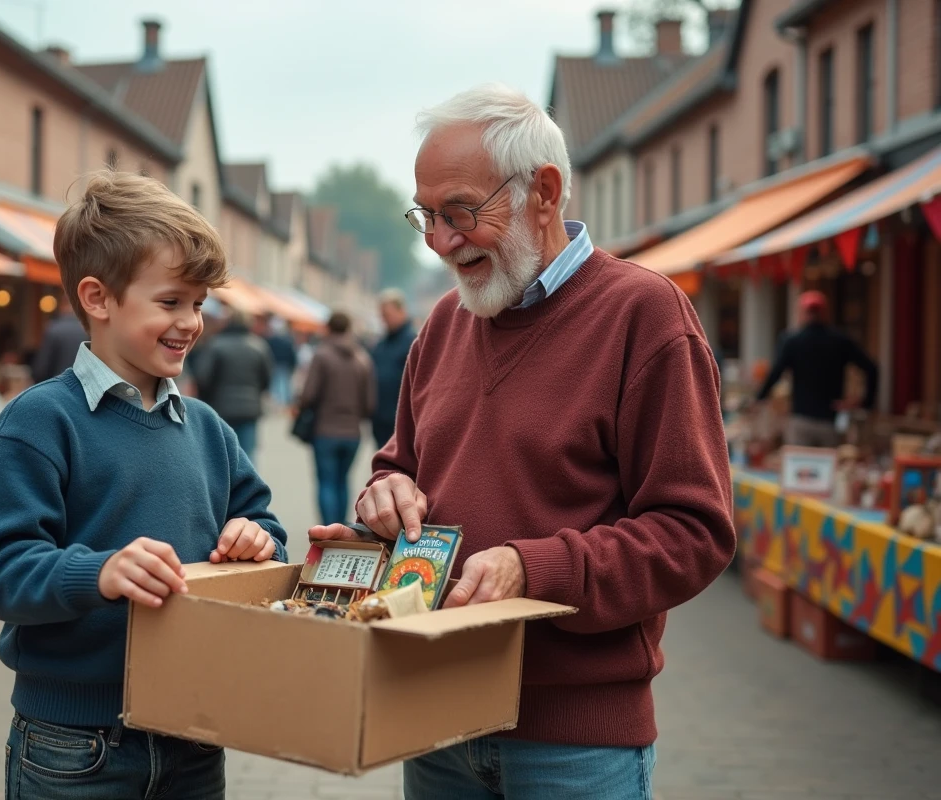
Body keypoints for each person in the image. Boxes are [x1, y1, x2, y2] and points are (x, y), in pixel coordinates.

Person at [309, 85, 734, 799]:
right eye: (427, 217)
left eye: (461, 213)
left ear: (544, 191)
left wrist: (533, 569)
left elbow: (693, 533)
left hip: (574, 743)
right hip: (435, 715)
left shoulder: (646, 315)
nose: (442, 242)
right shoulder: (443, 324)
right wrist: (383, 498)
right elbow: (403, 464)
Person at [0, 171, 288, 800]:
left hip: (194, 732)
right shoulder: (37, 422)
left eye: (198, 304)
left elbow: (265, 524)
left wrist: (257, 538)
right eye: (171, 302)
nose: (191, 322)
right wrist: (98, 573)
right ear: (98, 298)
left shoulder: (208, 428)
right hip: (74, 742)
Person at [754, 290, 878, 448]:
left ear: (802, 313)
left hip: (801, 418)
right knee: (827, 467)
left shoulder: (792, 341)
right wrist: (866, 403)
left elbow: (775, 373)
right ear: (825, 312)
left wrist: (759, 397)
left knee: (799, 468)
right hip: (830, 420)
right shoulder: (840, 341)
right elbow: (871, 368)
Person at [298, 311, 376, 525]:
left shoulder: (322, 355)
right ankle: (341, 526)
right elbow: (370, 404)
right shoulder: (362, 358)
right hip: (353, 432)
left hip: (325, 429)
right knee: (342, 481)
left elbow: (308, 395)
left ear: (329, 328)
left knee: (326, 482)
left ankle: (328, 529)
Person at [194, 309, 273, 460]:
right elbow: (266, 378)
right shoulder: (259, 346)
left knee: (219, 455)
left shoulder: (215, 344)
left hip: (219, 407)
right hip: (249, 409)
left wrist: (206, 398)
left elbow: (203, 377)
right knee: (247, 456)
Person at [369, 288, 416, 448]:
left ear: (401, 310)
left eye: (387, 315)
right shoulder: (381, 344)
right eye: (381, 316)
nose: (383, 320)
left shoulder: (414, 342)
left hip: (401, 422)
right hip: (380, 419)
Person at [31, 294, 86, 382]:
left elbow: (41, 369)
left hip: (57, 385)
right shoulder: (89, 330)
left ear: (62, 305)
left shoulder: (53, 329)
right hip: (84, 386)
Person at [261, 314, 298, 409]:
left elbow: (267, 353)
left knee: (277, 385)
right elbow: (292, 354)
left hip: (275, 364)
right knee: (283, 385)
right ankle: (282, 404)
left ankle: (277, 403)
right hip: (283, 365)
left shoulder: (271, 340)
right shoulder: (287, 340)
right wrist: (292, 365)